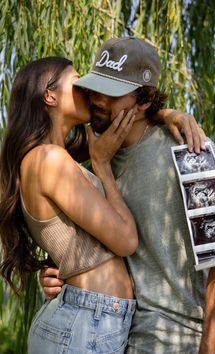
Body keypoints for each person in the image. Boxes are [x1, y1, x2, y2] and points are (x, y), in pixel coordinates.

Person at [41, 37, 215, 354]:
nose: (97, 99)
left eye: (112, 92)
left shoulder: (191, 154)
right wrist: (56, 278)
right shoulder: (93, 167)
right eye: (94, 87)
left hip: (177, 343)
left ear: (144, 101)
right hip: (111, 341)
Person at [0, 55, 204, 353]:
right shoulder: (49, 159)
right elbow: (126, 240)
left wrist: (166, 114)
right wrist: (103, 167)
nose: (90, 93)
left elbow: (123, 121)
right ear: (50, 94)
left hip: (91, 320)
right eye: (78, 83)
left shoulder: (54, 156)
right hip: (85, 323)